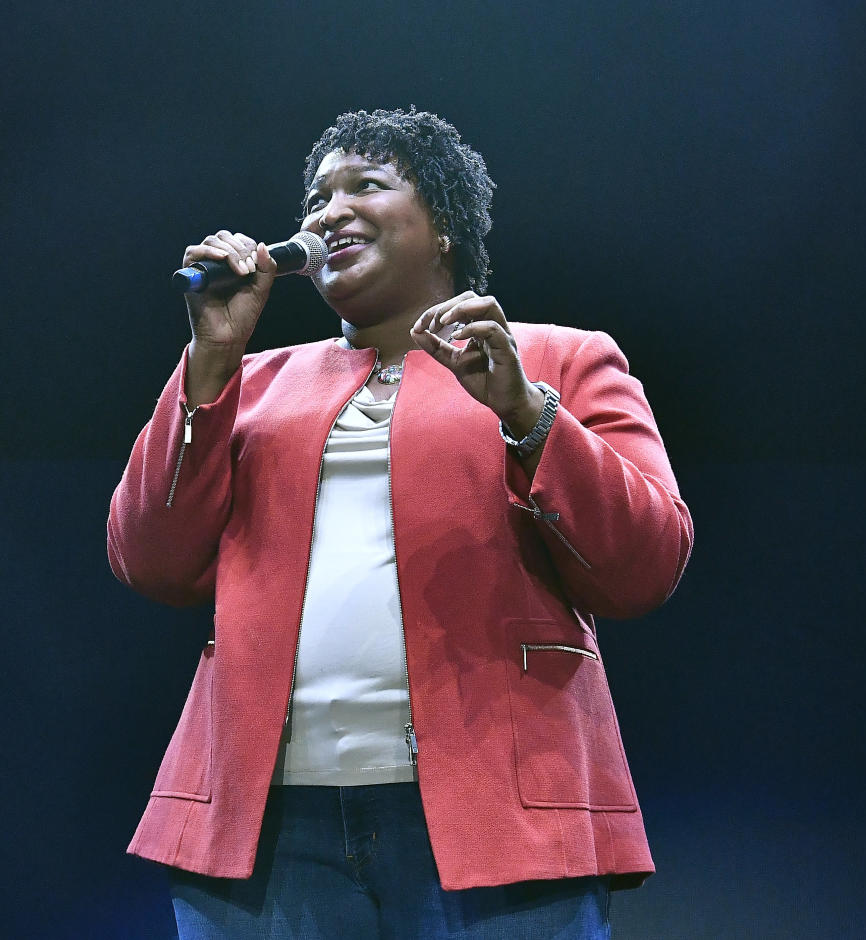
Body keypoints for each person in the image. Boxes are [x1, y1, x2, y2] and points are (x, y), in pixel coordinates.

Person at [107, 108, 693, 938]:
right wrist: (208, 366)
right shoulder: (253, 382)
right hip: (266, 832)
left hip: (498, 819)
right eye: (318, 197)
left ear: (444, 224)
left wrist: (527, 412)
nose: (328, 211)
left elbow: (647, 563)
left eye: (367, 186)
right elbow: (149, 559)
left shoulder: (561, 359)